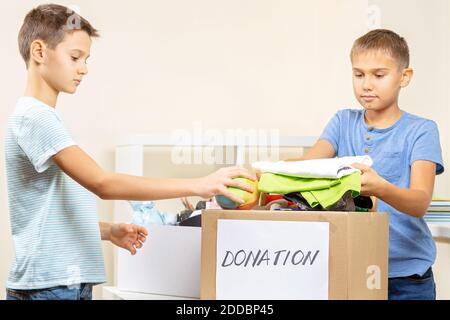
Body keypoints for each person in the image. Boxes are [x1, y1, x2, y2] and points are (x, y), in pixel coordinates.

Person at [4, 4, 255, 300]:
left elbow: (49, 220)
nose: (84, 68)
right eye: (75, 57)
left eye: (86, 59)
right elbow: (103, 183)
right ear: (39, 52)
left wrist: (109, 231)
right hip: (50, 287)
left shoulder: (40, 118)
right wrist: (199, 184)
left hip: (61, 283)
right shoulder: (36, 117)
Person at [293, 29, 444, 300]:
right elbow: (305, 166)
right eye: (358, 74)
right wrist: (261, 169)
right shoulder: (342, 122)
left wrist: (381, 188)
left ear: (404, 77)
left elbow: (420, 202)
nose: (366, 85)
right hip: (351, 267)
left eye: (379, 75)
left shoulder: (422, 130)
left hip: (408, 279)